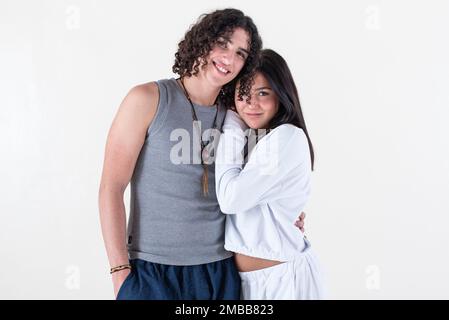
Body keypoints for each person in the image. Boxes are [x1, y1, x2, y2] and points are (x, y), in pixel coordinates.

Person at [215, 49, 326, 300]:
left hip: (283, 280)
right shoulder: (255, 140)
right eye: (242, 93)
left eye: (262, 93)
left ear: (281, 95)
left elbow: (231, 199)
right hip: (250, 282)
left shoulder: (287, 136)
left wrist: (232, 121)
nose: (250, 103)